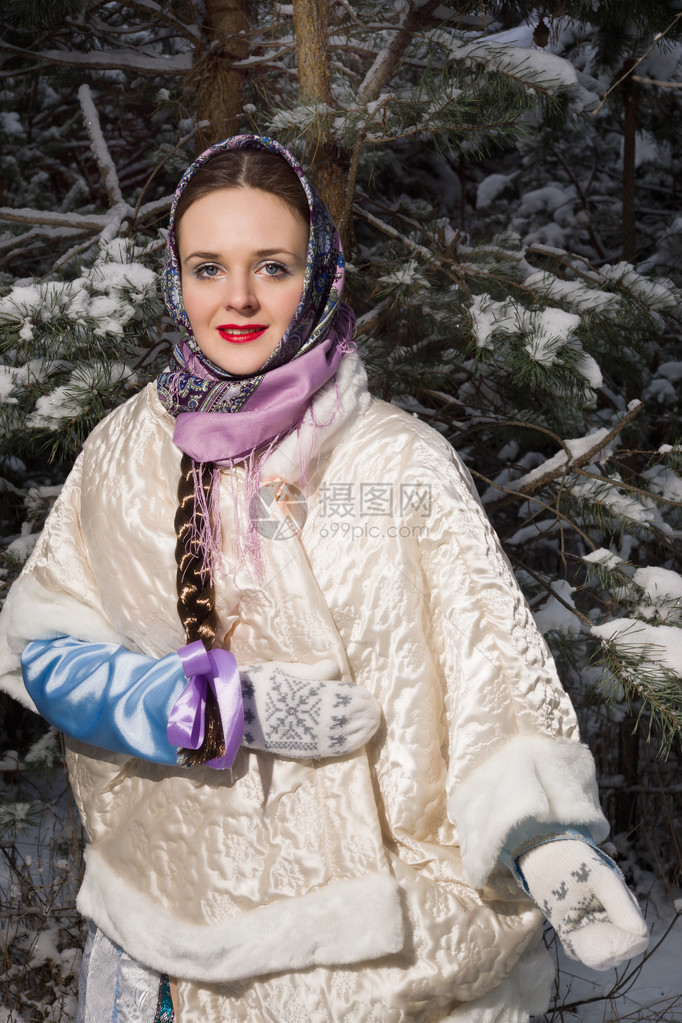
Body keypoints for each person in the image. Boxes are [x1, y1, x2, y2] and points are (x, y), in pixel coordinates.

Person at [0, 135, 648, 1023]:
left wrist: (545, 837)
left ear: (322, 275)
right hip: (171, 942)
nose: (235, 298)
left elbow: (489, 667)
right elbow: (43, 650)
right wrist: (214, 708)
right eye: (206, 267)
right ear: (173, 279)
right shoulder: (125, 448)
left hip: (378, 962)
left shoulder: (400, 463)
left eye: (271, 265)